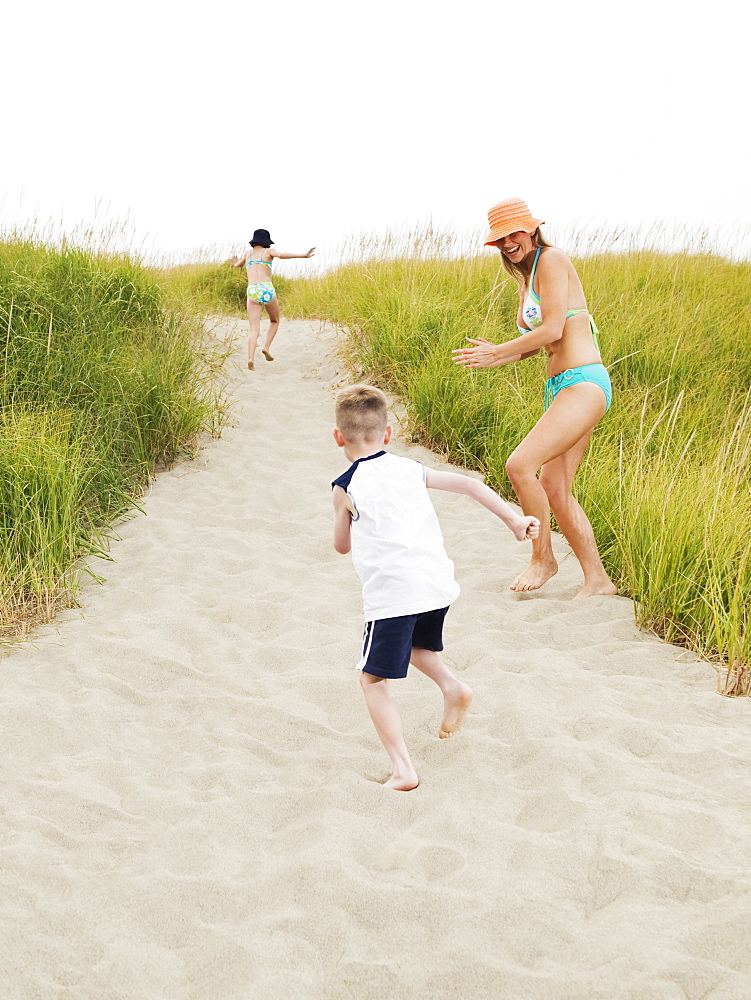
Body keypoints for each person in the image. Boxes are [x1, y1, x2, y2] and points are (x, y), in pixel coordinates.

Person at [331, 384, 539, 791]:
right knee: (415, 646)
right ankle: (453, 687)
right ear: (388, 434)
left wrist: (342, 511)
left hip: (393, 594)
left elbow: (341, 546)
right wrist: (515, 520)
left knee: (372, 680)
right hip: (436, 583)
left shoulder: (346, 484)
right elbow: (470, 485)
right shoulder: (410, 468)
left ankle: (403, 769)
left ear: (338, 437)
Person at [453, 198, 617, 598]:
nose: (509, 242)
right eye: (501, 238)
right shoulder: (527, 278)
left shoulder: (552, 259)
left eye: (515, 233)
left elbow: (555, 328)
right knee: (555, 487)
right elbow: (539, 340)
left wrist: (500, 350)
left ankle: (543, 558)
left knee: (519, 465)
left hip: (583, 382)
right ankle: (598, 580)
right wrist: (501, 355)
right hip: (562, 387)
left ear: (531, 230)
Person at [230, 228, 315, 370]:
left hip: (252, 290)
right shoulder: (269, 252)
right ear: (266, 242)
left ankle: (250, 358)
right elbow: (281, 255)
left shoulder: (247, 253)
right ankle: (266, 348)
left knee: (253, 328)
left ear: (254, 241)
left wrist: (234, 262)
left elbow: (238, 264)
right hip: (266, 289)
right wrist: (303, 255)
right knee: (274, 321)